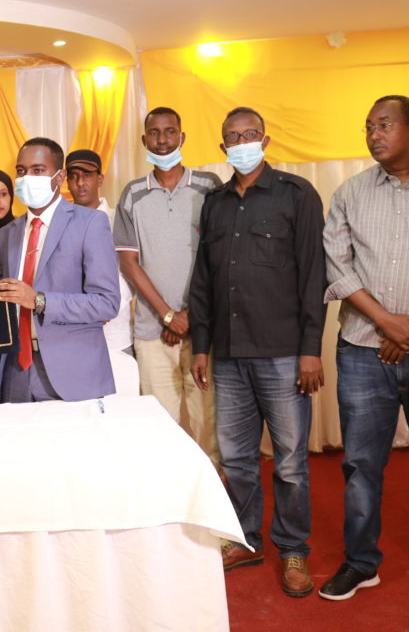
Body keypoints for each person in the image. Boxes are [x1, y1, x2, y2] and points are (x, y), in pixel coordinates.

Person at [319, 95, 409, 611]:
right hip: (361, 349)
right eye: (368, 126)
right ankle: (360, 562)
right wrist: (388, 323)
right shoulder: (351, 193)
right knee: (360, 464)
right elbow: (337, 263)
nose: (374, 134)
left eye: (384, 124)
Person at [188, 107, 326, 598]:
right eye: (231, 137)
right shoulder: (216, 203)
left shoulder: (296, 194)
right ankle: (247, 540)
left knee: (289, 460)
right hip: (226, 355)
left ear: (264, 139)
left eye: (249, 134)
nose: (240, 142)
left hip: (284, 353)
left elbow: (314, 275)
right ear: (222, 146)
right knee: (239, 458)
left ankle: (293, 549)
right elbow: (203, 280)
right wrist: (200, 346)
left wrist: (311, 351)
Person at [113, 108, 222, 460]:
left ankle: (214, 498)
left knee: (209, 423)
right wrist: (167, 316)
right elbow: (128, 261)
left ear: (182, 137)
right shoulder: (132, 194)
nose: (162, 140)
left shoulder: (209, 187)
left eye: (170, 132)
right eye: (154, 133)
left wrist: (189, 315)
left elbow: (219, 257)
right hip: (152, 331)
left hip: (203, 329)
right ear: (144, 140)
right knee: (162, 427)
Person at [0, 137, 121, 403]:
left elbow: (107, 303)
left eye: (37, 170)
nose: (26, 178)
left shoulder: (90, 223)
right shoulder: (7, 234)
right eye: (21, 171)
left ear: (59, 177)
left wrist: (39, 300)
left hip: (72, 373)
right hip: (15, 372)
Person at [65, 149, 136, 393]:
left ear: (101, 178)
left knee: (120, 415)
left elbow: (130, 271)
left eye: (87, 175)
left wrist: (106, 305)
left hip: (115, 335)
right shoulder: (60, 224)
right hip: (73, 338)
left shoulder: (119, 220)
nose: (80, 183)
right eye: (73, 176)